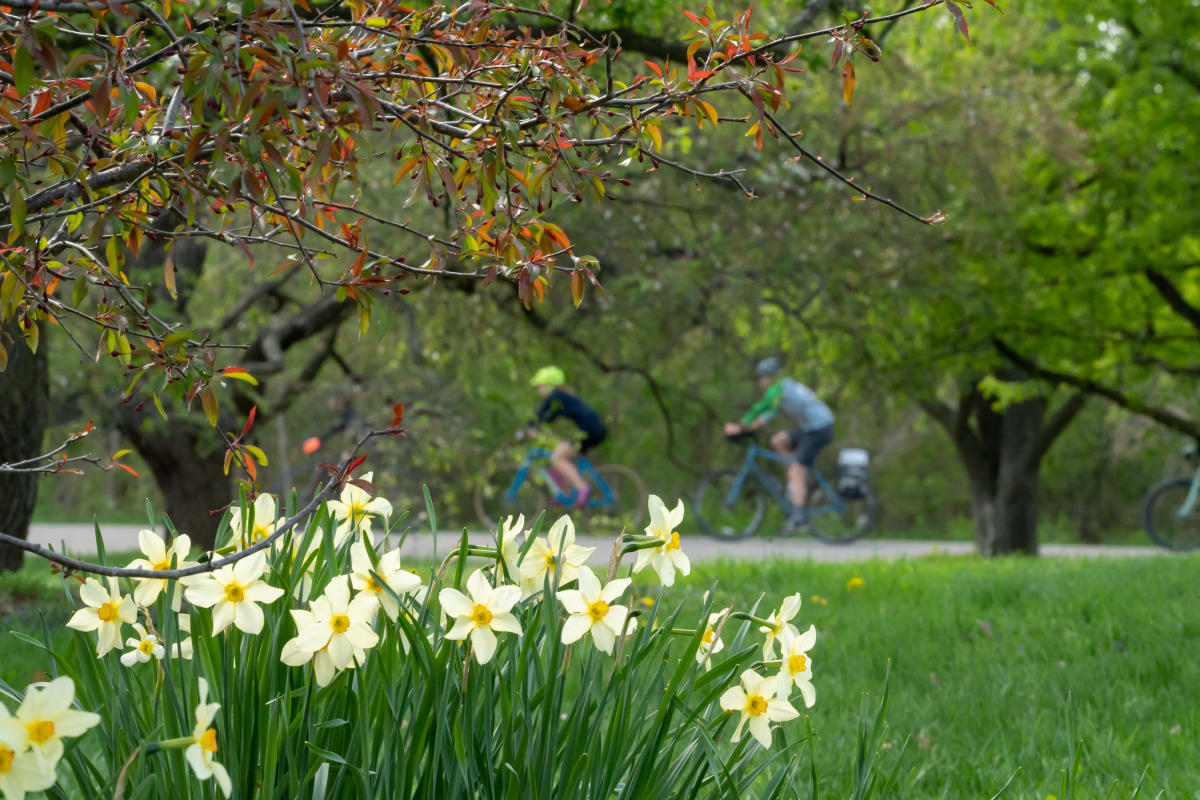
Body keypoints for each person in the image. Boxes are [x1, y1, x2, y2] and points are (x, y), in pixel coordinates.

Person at [723, 357, 834, 533]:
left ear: (770, 377)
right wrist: (745, 424)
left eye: (761, 378)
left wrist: (740, 427)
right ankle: (796, 483)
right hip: (808, 427)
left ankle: (799, 515)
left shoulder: (779, 390)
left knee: (796, 470)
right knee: (778, 441)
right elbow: (762, 408)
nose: (760, 383)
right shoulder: (782, 386)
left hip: (819, 429)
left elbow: (765, 412)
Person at [523, 366, 607, 509]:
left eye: (540, 386)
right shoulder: (560, 398)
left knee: (557, 457)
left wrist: (527, 429)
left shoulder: (555, 397)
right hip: (594, 430)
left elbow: (540, 415)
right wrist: (536, 427)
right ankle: (564, 494)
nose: (538, 390)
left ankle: (582, 487)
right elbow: (548, 418)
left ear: (550, 385)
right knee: (562, 457)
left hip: (590, 431)